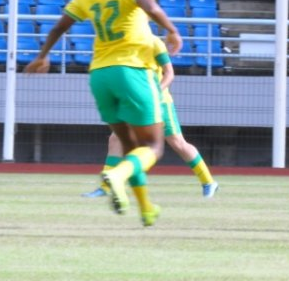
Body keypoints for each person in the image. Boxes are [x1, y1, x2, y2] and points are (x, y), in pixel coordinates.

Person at [25, 0, 183, 227]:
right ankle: (115, 177)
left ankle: (146, 208)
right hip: (132, 71)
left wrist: (43, 55)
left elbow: (60, 26)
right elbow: (152, 8)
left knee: (130, 148)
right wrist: (172, 30)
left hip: (100, 75)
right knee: (152, 147)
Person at [82, 36, 219, 200]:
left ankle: (208, 182)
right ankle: (106, 187)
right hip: (135, 102)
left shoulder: (154, 43)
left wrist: (156, 93)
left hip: (160, 103)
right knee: (116, 139)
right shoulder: (122, 44)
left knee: (177, 142)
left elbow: (169, 73)